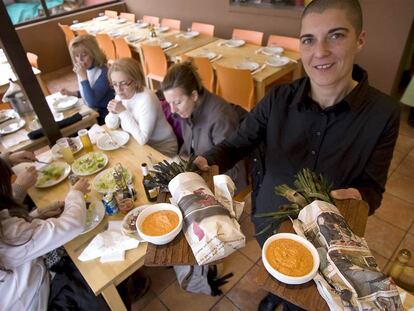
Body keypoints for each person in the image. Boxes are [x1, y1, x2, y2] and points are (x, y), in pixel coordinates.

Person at [193, 0, 400, 310]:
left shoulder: (383, 114)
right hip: (269, 221)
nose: (320, 52)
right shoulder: (278, 98)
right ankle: (274, 296)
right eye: (308, 39)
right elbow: (237, 144)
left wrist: (358, 196)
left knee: (305, 297)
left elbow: (373, 189)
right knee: (277, 273)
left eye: (336, 35)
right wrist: (206, 161)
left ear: (360, 40)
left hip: (326, 237)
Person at [0, 157, 91, 310]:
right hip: (39, 299)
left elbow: (20, 235)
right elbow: (72, 225)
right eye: (8, 184)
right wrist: (75, 193)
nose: (12, 186)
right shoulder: (8, 235)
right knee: (91, 267)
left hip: (33, 282)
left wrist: (35, 216)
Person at [161, 61, 247, 191]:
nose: (172, 110)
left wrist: (198, 179)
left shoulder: (220, 117)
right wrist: (179, 162)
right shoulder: (186, 110)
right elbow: (189, 147)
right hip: (201, 176)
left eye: (177, 102)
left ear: (194, 95)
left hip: (226, 186)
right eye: (169, 103)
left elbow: (234, 171)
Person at [105, 58, 177, 157]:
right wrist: (113, 113)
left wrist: (122, 112)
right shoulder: (121, 94)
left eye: (124, 83)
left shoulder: (146, 99)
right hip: (139, 145)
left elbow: (142, 139)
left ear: (136, 80)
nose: (119, 90)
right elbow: (111, 126)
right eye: (115, 84)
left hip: (162, 147)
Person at [61, 34, 114, 124]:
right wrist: (72, 93)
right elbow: (87, 92)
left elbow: (92, 101)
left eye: (84, 55)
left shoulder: (103, 72)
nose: (80, 60)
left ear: (93, 54)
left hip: (105, 117)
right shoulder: (84, 70)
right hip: (92, 112)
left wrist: (84, 77)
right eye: (77, 56)